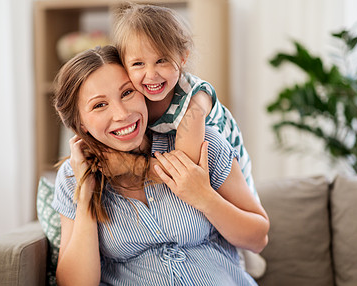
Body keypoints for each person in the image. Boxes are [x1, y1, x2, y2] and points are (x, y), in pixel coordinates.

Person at [51, 45, 269, 286]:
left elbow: (258, 239)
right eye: (100, 105)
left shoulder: (201, 144)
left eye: (127, 92)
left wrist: (204, 197)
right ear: (80, 124)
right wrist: (86, 192)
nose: (122, 114)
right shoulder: (72, 177)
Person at [111, 3, 259, 204]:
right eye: (138, 64)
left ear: (182, 58)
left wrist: (128, 165)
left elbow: (183, 170)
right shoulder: (135, 96)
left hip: (230, 178)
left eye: (162, 60)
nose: (151, 74)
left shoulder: (195, 100)